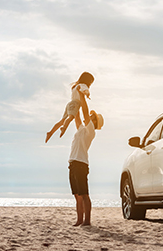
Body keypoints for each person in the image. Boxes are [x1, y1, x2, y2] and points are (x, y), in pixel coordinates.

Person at [68, 91, 103, 226]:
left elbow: (85, 111)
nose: (88, 117)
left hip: (81, 164)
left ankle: (87, 221)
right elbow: (77, 115)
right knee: (77, 195)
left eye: (92, 117)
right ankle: (79, 220)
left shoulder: (91, 131)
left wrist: (82, 97)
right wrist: (75, 98)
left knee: (84, 194)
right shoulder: (81, 129)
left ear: (94, 121)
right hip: (72, 163)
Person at [45, 72, 94, 143]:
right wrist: (87, 95)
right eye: (91, 82)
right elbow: (85, 90)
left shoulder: (75, 86)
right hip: (75, 104)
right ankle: (63, 128)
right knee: (70, 118)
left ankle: (50, 132)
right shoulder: (83, 85)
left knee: (62, 121)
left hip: (70, 104)